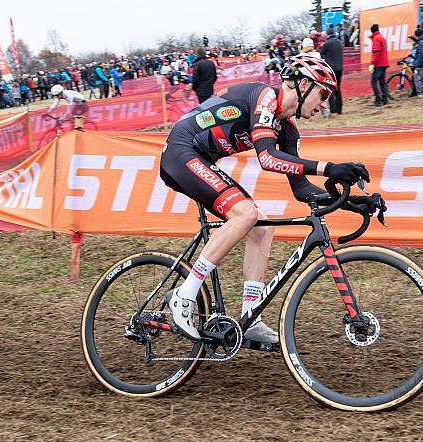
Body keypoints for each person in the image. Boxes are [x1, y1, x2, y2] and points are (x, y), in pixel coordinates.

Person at [159, 54, 369, 343]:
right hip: (181, 151)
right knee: (245, 214)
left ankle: (251, 316)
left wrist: (351, 201)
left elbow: (301, 189)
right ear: (304, 84)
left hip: (203, 159)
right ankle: (184, 294)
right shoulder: (266, 96)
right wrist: (330, 168)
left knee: (261, 228)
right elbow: (267, 158)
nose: (324, 104)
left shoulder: (288, 129)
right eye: (323, 93)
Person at [320, 30, 344, 114]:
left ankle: (333, 109)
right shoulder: (339, 42)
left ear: (327, 35)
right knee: (338, 89)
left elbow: (321, 54)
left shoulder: (327, 43)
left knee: (330, 88)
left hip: (331, 69)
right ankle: (339, 110)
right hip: (340, 68)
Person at [369, 24, 389, 107]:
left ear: (372, 31)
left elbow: (376, 53)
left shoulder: (376, 39)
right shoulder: (382, 38)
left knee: (373, 82)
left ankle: (378, 99)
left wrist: (372, 63)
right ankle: (385, 98)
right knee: (382, 82)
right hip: (384, 63)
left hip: (379, 64)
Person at [412, 30, 423, 97]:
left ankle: (420, 93)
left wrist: (416, 64)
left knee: (417, 79)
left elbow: (421, 54)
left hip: (420, 64)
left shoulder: (421, 42)